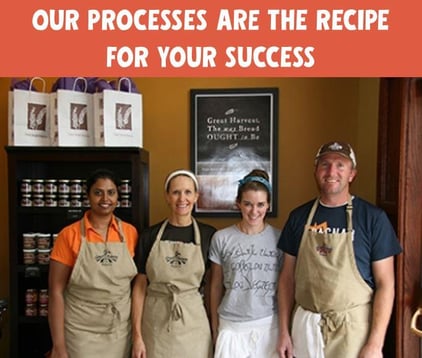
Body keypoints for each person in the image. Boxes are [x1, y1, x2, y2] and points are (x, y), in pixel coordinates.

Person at [276, 141, 403, 358]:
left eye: (340, 165)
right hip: (306, 327)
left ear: (352, 174)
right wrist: (283, 332)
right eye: (324, 164)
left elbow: (386, 284)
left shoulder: (373, 218)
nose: (331, 171)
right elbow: (287, 279)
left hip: (352, 333)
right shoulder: (299, 217)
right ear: (316, 172)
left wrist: (375, 343)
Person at [48, 169, 138, 358]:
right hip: (80, 330)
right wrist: (58, 345)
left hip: (120, 330)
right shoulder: (69, 235)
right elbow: (56, 291)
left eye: (111, 192)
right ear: (88, 195)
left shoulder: (130, 233)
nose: (105, 198)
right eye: (98, 192)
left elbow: (137, 286)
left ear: (118, 196)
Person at [131, 169, 217, 358]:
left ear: (196, 197)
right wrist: (137, 336)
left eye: (188, 192)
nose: (182, 199)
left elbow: (213, 286)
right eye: (176, 192)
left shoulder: (208, 235)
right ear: (167, 197)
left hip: (194, 323)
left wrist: (215, 327)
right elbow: (139, 287)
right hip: (155, 323)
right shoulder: (149, 236)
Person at [209, 169, 283, 358]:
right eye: (247, 204)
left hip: (269, 325)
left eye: (260, 204)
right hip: (231, 326)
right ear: (238, 204)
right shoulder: (222, 238)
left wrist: (285, 329)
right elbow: (215, 286)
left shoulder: (279, 239)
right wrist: (215, 329)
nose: (254, 211)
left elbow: (286, 286)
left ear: (268, 205)